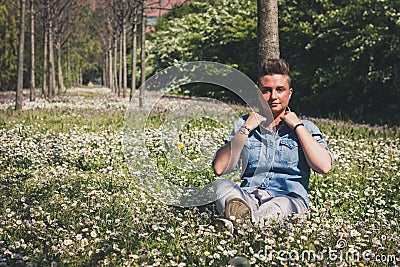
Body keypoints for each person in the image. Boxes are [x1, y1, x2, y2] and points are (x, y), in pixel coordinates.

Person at [212, 58, 334, 229]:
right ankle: (246, 222)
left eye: (280, 90)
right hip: (249, 197)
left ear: (289, 93)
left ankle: (239, 225)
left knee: (278, 207)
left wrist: (297, 126)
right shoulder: (244, 124)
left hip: (288, 199)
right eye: (266, 91)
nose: (273, 96)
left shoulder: (307, 128)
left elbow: (324, 166)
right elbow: (219, 168)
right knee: (221, 186)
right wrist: (247, 127)